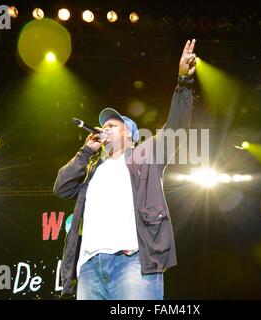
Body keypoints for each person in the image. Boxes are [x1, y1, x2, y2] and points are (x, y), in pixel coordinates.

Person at [53, 39, 197, 300]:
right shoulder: (92, 167)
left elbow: (176, 128)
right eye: (103, 126)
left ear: (130, 135)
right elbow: (61, 188)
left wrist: (184, 82)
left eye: (112, 125)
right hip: (89, 269)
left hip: (132, 263)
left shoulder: (145, 155)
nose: (105, 129)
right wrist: (86, 152)